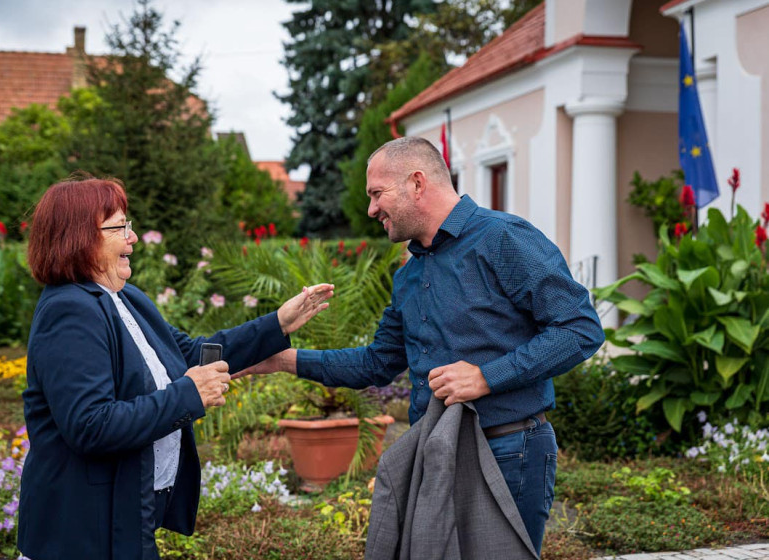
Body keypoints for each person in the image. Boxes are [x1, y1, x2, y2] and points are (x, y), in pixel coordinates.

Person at [234, 136, 605, 553]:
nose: (372, 209)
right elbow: (375, 364)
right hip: (435, 450)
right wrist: (281, 360)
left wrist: (487, 377)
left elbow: (579, 329)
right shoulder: (409, 275)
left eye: (377, 193)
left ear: (416, 183)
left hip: (508, 449)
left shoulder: (504, 238)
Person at [17, 175, 334, 560]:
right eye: (120, 227)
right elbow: (90, 425)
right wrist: (189, 394)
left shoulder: (125, 297)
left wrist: (277, 324)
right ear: (80, 237)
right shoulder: (69, 311)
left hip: (124, 519)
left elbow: (189, 354)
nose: (132, 238)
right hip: (81, 532)